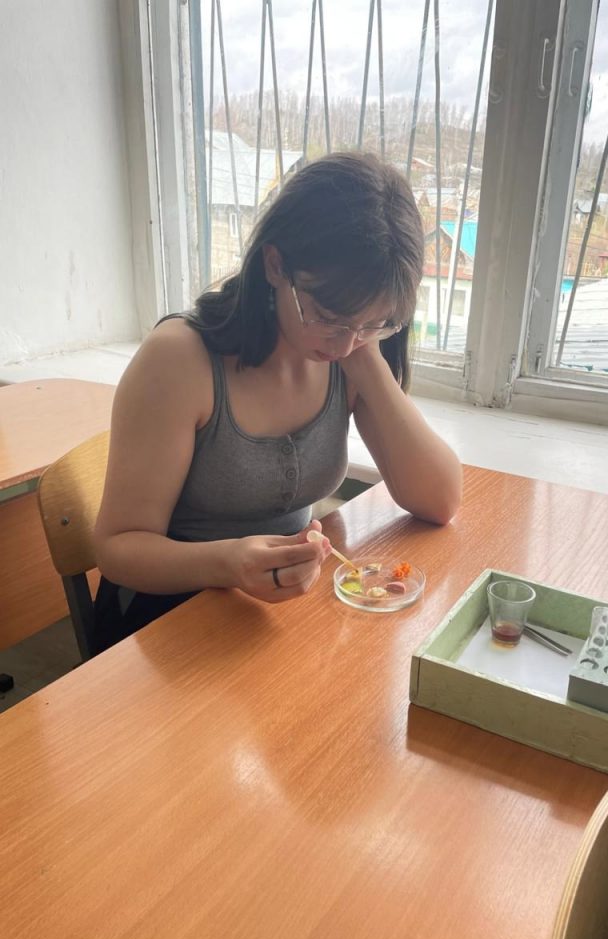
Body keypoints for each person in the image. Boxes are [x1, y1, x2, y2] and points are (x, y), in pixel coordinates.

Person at [92, 151, 463, 652]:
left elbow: (439, 501)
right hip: (161, 623)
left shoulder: (351, 352)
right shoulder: (180, 360)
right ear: (274, 266)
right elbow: (118, 549)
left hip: (271, 615)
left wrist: (368, 360)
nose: (344, 344)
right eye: (328, 315)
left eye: (378, 322)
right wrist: (228, 563)